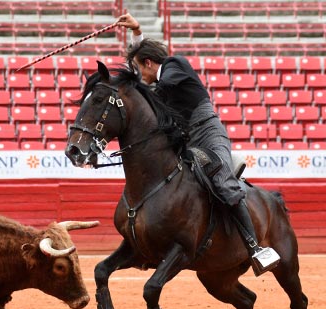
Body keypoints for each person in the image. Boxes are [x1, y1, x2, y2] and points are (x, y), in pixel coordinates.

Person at [114, 12, 280, 276]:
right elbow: (143, 72)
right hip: (187, 140)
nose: (138, 76)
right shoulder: (155, 75)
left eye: (139, 68)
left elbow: (159, 82)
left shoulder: (173, 65)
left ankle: (254, 246)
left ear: (148, 62)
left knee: (222, 181)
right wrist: (136, 32)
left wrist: (145, 88)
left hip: (209, 134)